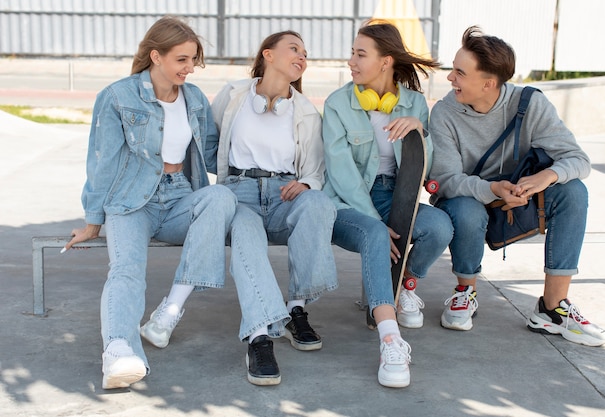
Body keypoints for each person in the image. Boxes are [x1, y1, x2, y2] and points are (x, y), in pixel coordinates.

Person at [142, 30, 338, 386]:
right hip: (239, 190)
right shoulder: (233, 95)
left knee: (319, 205)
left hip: (284, 194)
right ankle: (259, 337)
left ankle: (297, 309)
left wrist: (307, 184)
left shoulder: (305, 110)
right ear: (268, 54)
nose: (302, 57)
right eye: (294, 49)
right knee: (247, 236)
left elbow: (315, 168)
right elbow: (204, 141)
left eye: (305, 54)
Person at [62, 16, 240, 389]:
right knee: (126, 271)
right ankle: (118, 351)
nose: (190, 68)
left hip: (179, 197)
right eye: (182, 60)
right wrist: (94, 219)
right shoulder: (117, 96)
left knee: (221, 197)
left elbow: (214, 149)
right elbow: (102, 160)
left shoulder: (193, 98)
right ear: (156, 56)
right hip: (130, 200)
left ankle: (169, 310)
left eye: (193, 60)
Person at [429, 26, 605, 347]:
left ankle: (552, 308)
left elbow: (578, 160)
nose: (449, 79)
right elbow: (445, 180)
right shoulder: (444, 113)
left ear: (488, 83)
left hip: (520, 197)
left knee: (573, 192)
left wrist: (545, 178)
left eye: (459, 72)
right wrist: (493, 189)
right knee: (464, 207)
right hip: (468, 199)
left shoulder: (530, 105)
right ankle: (465, 291)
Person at [322, 19, 454, 388]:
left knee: (440, 226)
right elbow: (341, 173)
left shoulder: (413, 103)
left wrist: (419, 130)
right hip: (348, 203)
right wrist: (373, 221)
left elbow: (424, 163)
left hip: (398, 197)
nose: (351, 61)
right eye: (352, 52)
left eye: (360, 54)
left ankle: (405, 286)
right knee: (375, 236)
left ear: (385, 61)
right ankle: (390, 339)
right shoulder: (338, 104)